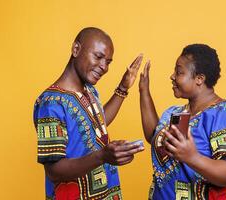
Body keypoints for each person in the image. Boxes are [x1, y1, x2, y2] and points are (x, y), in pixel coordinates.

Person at [33, 27, 144, 200]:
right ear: (76, 49)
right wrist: (102, 156)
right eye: (98, 57)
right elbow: (54, 170)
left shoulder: (90, 91)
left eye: (108, 62)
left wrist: (123, 88)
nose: (104, 67)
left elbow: (97, 123)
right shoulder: (51, 104)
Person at [139, 44, 226, 199]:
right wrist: (144, 91)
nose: (172, 76)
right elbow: (154, 136)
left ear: (199, 79)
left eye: (179, 72)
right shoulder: (176, 113)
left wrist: (192, 157)